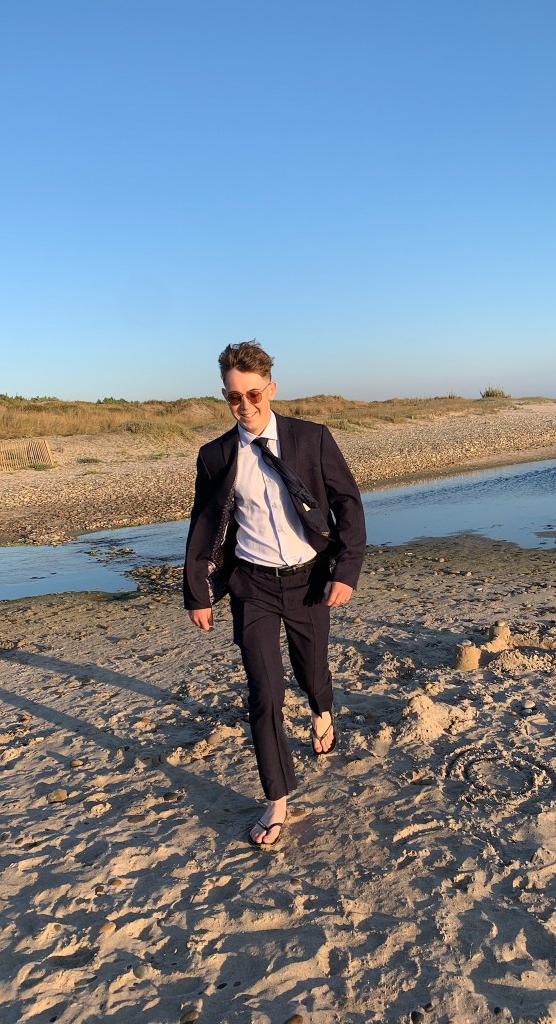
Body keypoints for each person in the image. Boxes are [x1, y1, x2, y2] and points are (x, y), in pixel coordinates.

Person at [183, 341, 366, 846]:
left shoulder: (312, 439)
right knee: (265, 693)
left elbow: (348, 503)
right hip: (253, 585)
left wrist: (346, 570)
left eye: (253, 394)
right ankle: (277, 798)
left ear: (272, 389)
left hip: (309, 580)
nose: (244, 406)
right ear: (225, 396)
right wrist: (198, 592)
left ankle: (322, 709)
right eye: (233, 396)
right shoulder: (216, 456)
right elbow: (203, 525)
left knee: (312, 671)